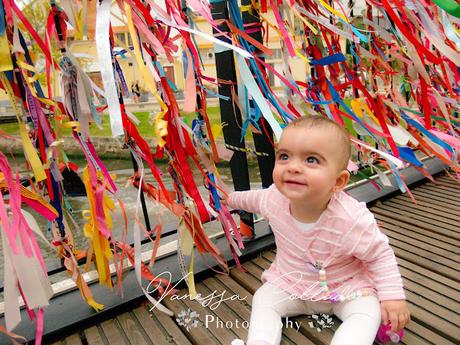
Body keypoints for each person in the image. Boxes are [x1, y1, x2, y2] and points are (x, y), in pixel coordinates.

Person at [226, 116, 410, 345]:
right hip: (291, 283)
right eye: (284, 156)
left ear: (339, 181)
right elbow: (252, 199)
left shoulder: (351, 219)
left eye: (311, 159)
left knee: (368, 311)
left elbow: (379, 255)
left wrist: (392, 297)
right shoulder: (274, 199)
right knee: (263, 299)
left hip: (347, 288)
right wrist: (228, 199)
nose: (293, 167)